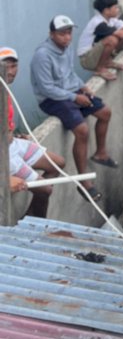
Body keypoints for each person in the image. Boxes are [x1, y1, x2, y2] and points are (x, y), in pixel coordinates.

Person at [30, 16, 116, 201]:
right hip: (51, 98)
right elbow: (47, 88)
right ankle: (83, 181)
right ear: (51, 34)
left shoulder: (66, 49)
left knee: (105, 112)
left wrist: (82, 87)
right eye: (62, 33)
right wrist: (74, 97)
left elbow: (70, 74)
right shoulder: (42, 55)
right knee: (82, 130)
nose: (67, 37)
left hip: (69, 92)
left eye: (69, 33)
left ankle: (100, 153)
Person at [2, 46, 66, 218]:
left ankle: (30, 214)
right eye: (5, 66)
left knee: (58, 163)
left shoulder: (6, 91)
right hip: (5, 153)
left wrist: (14, 135)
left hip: (14, 143)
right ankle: (34, 224)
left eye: (14, 65)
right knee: (45, 189)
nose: (11, 70)